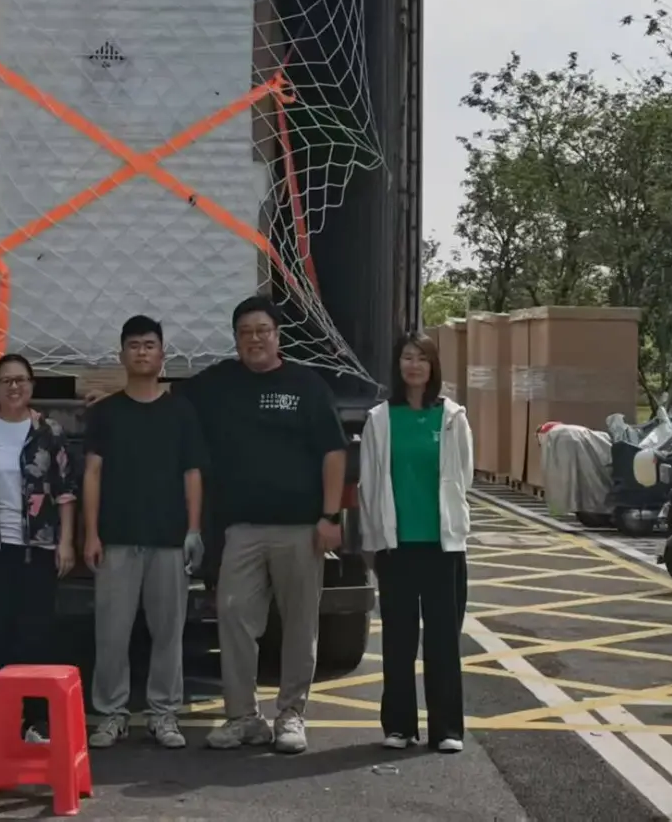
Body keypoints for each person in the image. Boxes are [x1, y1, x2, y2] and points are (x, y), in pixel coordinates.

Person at [181, 296, 346, 755]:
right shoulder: (218, 383)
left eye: (262, 330)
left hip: (300, 529)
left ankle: (291, 714)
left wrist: (331, 516)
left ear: (277, 336)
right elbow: (160, 397)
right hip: (242, 530)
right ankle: (243, 718)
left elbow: (334, 453)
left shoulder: (306, 385)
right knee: (233, 616)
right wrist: (109, 393)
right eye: (245, 332)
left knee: (299, 624)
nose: (254, 339)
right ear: (236, 339)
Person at [82, 316, 207, 750]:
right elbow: (92, 474)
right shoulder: (106, 413)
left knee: (168, 633)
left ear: (162, 355)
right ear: (121, 355)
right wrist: (91, 533)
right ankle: (111, 714)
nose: (141, 352)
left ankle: (163, 713)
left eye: (149, 345)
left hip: (169, 539)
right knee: (111, 635)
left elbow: (193, 473)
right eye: (133, 345)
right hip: (116, 538)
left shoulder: (181, 412)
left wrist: (194, 530)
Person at [357, 332, 474, 753]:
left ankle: (447, 729)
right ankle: (399, 726)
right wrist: (371, 539)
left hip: (443, 547)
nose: (414, 365)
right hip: (397, 546)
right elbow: (369, 483)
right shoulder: (380, 419)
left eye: (421, 358)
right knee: (398, 640)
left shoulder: (453, 417)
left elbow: (464, 475)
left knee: (443, 640)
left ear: (433, 366)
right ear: (397, 366)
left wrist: (453, 523)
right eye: (407, 357)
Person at [0, 353, 79, 744]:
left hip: (37, 547)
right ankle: (3, 720)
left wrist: (66, 542)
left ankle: (36, 720)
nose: (14, 387)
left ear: (31, 385)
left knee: (36, 634)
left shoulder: (48, 432)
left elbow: (65, 491)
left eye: (21, 380)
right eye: (6, 380)